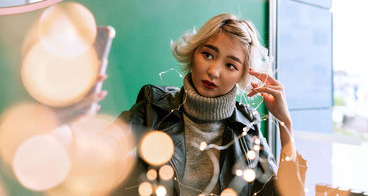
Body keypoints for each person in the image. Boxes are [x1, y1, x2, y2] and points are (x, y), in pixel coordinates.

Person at [109, 13, 307, 196]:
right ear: (193, 53)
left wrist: (285, 124)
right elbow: (102, 148)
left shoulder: (247, 127)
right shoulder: (152, 108)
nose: (214, 71)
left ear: (242, 74)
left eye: (230, 65)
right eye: (208, 55)